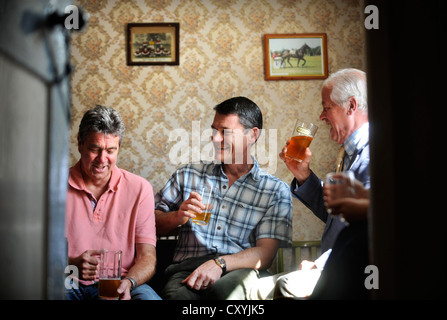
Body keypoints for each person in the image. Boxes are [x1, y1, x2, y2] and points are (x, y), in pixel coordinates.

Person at [154, 96, 293, 300]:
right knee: (180, 298)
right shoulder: (189, 174)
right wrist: (178, 217)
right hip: (186, 270)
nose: (215, 139)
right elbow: (150, 224)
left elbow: (266, 254)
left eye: (225, 132)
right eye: (214, 131)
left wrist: (220, 264)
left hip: (239, 270)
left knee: (228, 293)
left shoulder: (274, 190)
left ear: (252, 135)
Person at [258, 68, 370, 300]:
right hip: (336, 264)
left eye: (326, 107)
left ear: (351, 106)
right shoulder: (349, 153)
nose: (321, 116)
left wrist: (322, 265)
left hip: (351, 269)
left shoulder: (371, 154)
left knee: (283, 286)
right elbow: (338, 215)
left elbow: (370, 227)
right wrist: (303, 175)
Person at [65, 105, 161, 300]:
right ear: (80, 144)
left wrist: (128, 283)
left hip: (122, 282)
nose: (102, 159)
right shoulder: (52, 186)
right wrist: (71, 263)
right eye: (95, 149)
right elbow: (34, 253)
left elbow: (147, 257)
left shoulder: (140, 188)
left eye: (110, 150)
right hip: (68, 279)